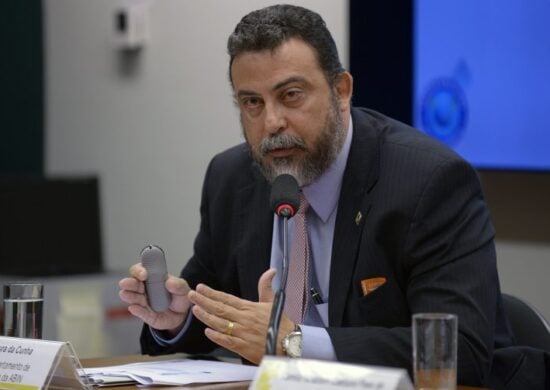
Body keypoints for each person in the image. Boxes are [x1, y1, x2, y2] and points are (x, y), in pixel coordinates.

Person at [119, 4, 514, 386]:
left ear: (341, 91)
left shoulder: (428, 182)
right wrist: (179, 318)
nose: (272, 122)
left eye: (291, 95)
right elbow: (221, 318)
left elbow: (460, 351)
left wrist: (294, 342)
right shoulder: (232, 178)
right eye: (252, 102)